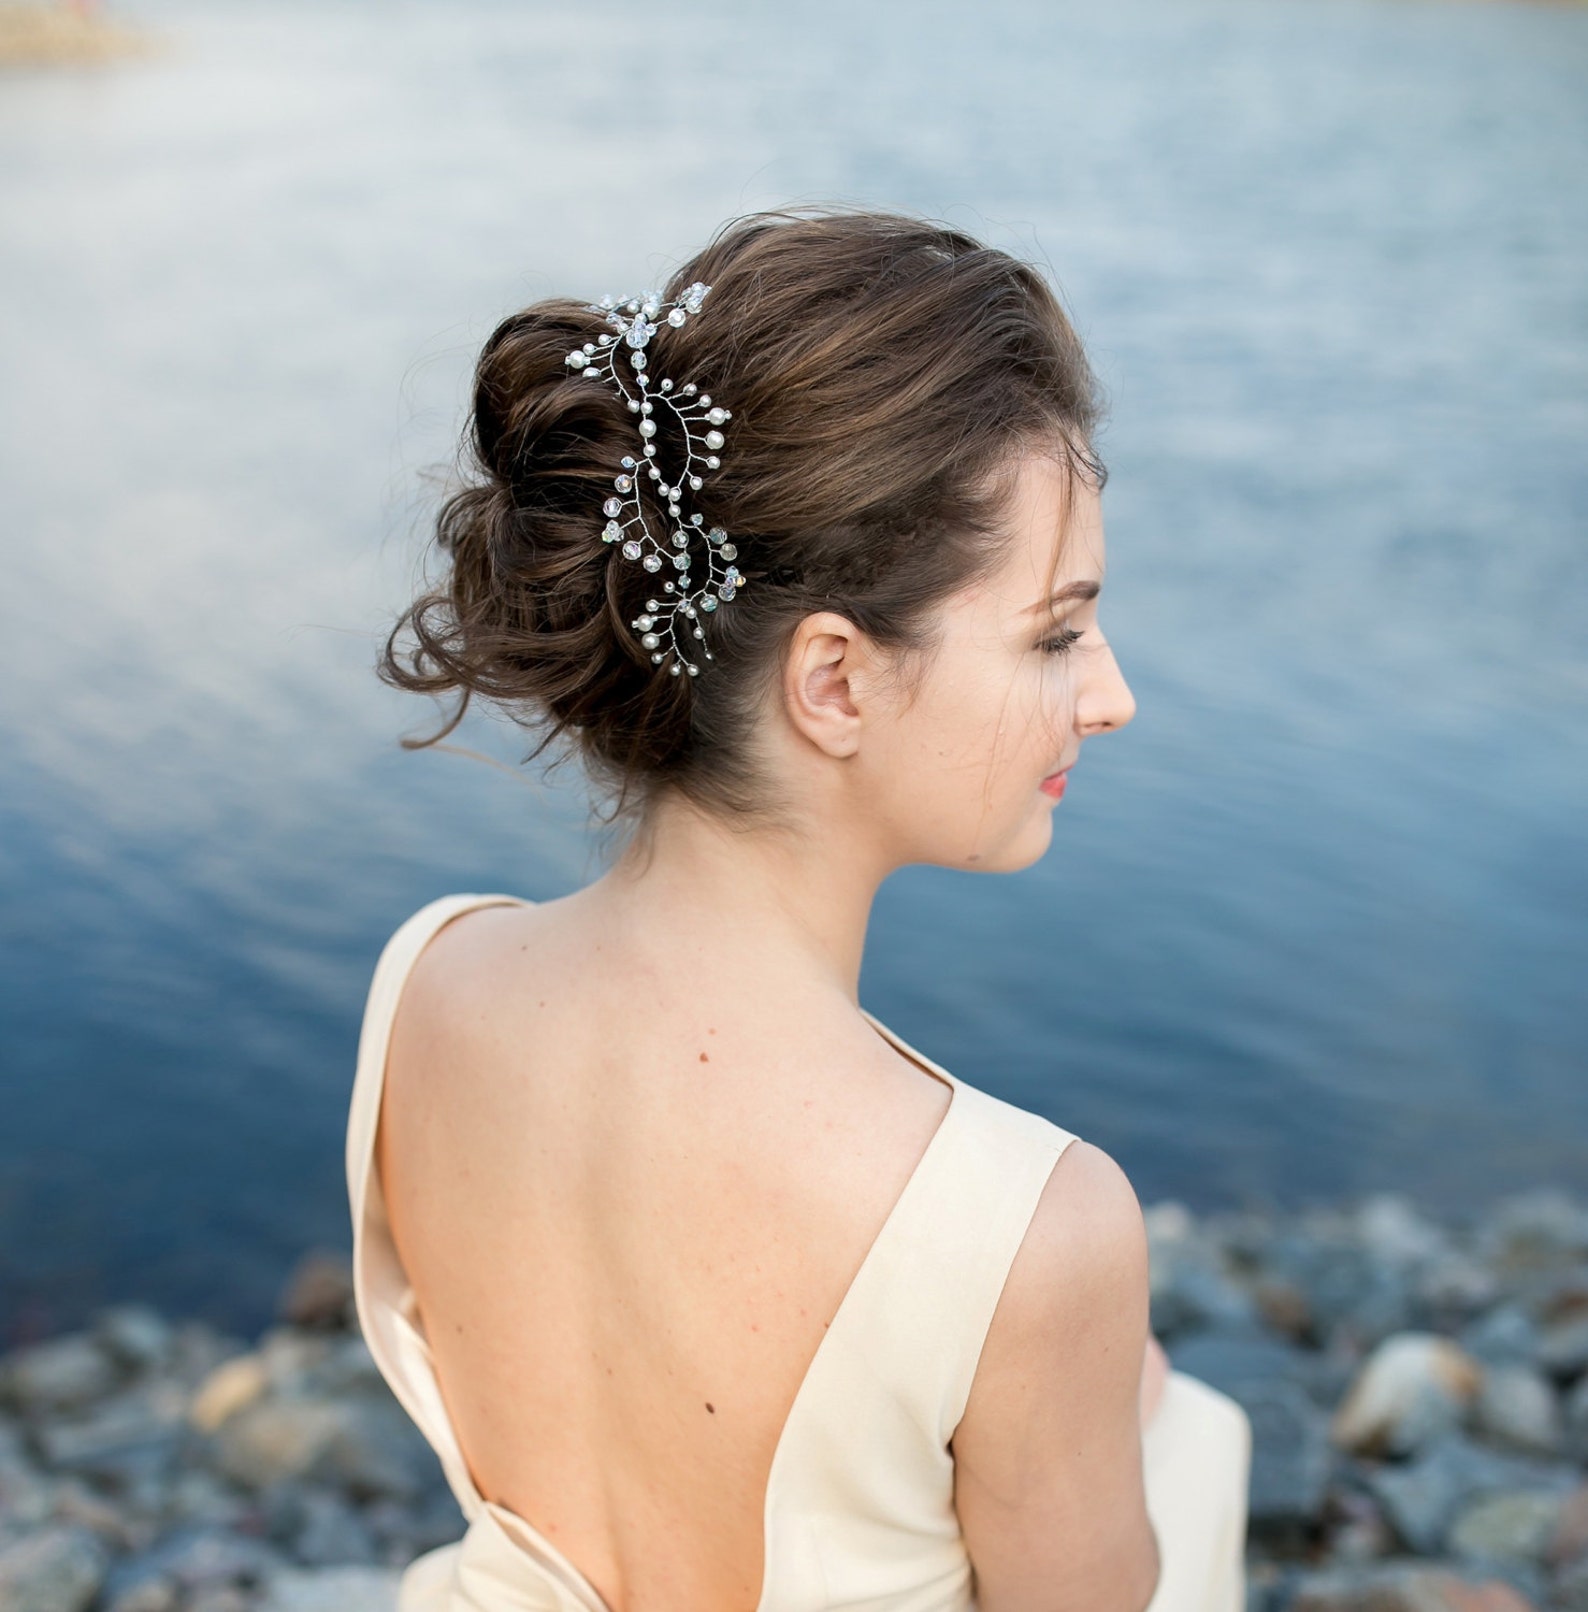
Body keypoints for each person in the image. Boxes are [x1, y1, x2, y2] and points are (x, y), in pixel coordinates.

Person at [346, 206, 1251, 1612]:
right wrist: (1080, 1404)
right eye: (1056, 634)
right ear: (833, 682)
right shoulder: (1030, 1226)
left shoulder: (427, 982)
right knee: (1194, 1441)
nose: (1110, 696)